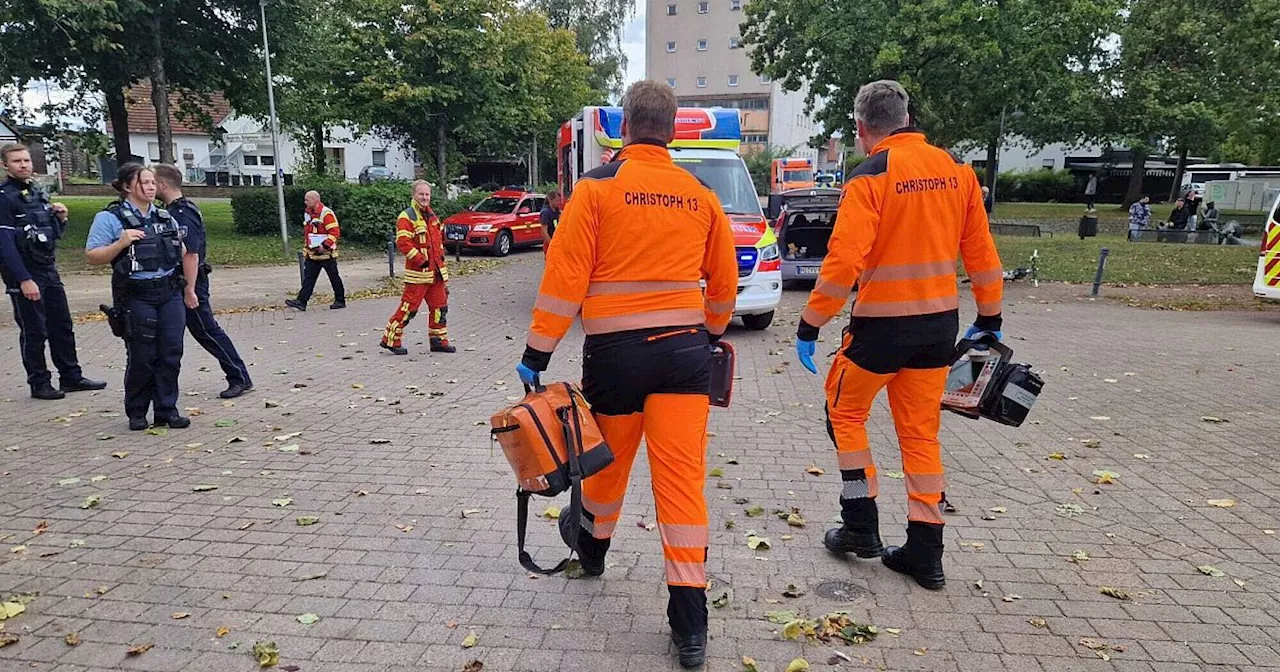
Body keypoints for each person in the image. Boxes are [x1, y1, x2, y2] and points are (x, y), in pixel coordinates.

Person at [515, 80, 737, 668]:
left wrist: (537, 353)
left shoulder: (596, 190)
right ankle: (690, 626)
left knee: (605, 464)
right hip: (685, 358)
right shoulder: (698, 193)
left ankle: (591, 550)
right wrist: (710, 333)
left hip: (616, 357)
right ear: (672, 131)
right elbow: (724, 282)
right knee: (682, 485)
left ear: (624, 130)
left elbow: (565, 282)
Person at [793, 80, 1004, 591]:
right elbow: (980, 252)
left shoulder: (871, 176)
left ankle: (860, 526)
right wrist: (991, 318)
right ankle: (925, 552)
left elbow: (843, 262)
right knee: (919, 435)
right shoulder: (957, 172)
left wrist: (811, 323)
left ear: (863, 128)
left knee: (844, 412)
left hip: (879, 332)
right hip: (938, 329)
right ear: (907, 117)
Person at [85, 164, 189, 431]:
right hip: (136, 295)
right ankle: (137, 411)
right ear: (128, 186)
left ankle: (167, 409)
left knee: (171, 352)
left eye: (153, 182)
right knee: (143, 355)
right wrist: (120, 243)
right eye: (144, 182)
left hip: (169, 292)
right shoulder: (110, 218)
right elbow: (93, 256)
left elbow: (181, 250)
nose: (152, 186)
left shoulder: (165, 217)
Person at [0, 143, 106, 400]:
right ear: (5, 165)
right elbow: (5, 245)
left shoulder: (36, 193)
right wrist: (24, 279)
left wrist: (61, 219)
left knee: (62, 325)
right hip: (25, 274)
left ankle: (71, 376)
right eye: (17, 161)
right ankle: (39, 383)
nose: (23, 165)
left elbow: (49, 237)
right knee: (35, 330)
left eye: (26, 160)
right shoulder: (4, 197)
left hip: (48, 270)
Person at [153, 164, 253, 399]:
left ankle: (239, 377)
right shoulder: (170, 211)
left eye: (152, 182)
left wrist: (189, 290)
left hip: (191, 282)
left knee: (207, 331)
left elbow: (191, 254)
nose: (149, 186)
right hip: (180, 282)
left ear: (163, 184)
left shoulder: (182, 213)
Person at [380, 180, 456, 355]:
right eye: (421, 194)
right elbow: (403, 242)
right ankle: (391, 339)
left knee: (440, 309)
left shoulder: (433, 217)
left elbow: (438, 245)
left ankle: (438, 341)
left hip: (436, 274)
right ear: (414, 195)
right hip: (418, 275)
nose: (424, 197)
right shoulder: (406, 217)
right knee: (409, 309)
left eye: (427, 194)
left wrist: (442, 269)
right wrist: (420, 260)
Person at [285, 191, 345, 311]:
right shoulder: (308, 213)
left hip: (326, 254)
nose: (305, 202)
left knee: (334, 277)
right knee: (309, 278)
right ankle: (302, 301)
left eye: (307, 200)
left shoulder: (326, 213)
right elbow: (309, 232)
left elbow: (335, 232)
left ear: (315, 200)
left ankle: (340, 300)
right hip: (312, 253)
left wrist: (325, 246)